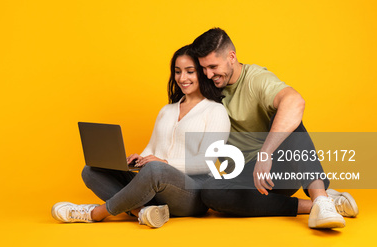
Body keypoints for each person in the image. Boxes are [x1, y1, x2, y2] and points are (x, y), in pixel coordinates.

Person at [191, 28, 359, 229]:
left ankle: (321, 198)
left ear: (231, 57)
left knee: (286, 121)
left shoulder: (256, 79)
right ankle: (319, 205)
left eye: (213, 66)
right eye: (204, 68)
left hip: (273, 171)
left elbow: (295, 101)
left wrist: (265, 154)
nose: (209, 74)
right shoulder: (205, 86)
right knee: (210, 191)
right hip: (242, 178)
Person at [51, 45, 230, 228]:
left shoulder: (215, 111)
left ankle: (96, 213)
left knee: (155, 169)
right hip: (156, 183)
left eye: (190, 71)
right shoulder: (167, 110)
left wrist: (163, 163)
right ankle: (143, 211)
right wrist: (139, 159)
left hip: (193, 192)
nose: (182, 78)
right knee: (91, 170)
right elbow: (152, 148)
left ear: (202, 73)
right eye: (177, 72)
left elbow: (205, 162)